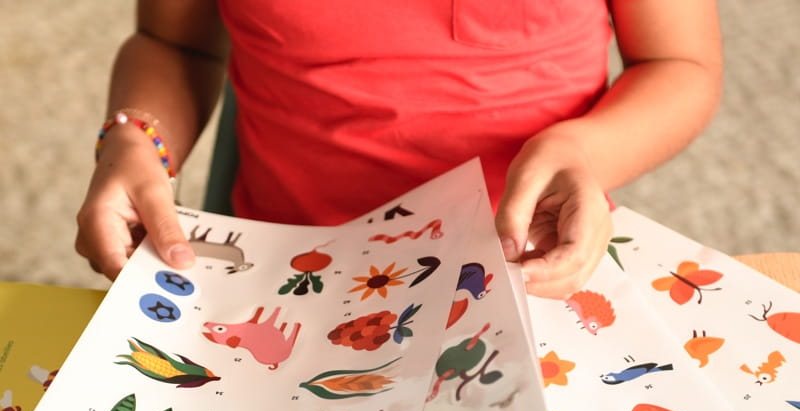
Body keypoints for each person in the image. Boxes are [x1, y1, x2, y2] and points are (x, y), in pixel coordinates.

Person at [75, 0, 723, 299]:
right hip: (289, 272)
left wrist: (586, 149)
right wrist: (135, 141)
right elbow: (174, 42)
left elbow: (679, 63)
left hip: (533, 268)